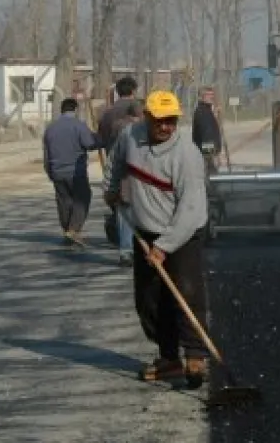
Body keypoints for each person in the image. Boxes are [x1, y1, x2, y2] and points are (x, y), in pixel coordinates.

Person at [105, 90, 211, 387]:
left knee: (187, 294)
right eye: (160, 121)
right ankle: (168, 358)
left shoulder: (186, 155)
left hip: (182, 232)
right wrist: (111, 189)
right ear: (148, 117)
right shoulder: (130, 137)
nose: (166, 127)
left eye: (172, 121)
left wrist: (164, 247)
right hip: (145, 229)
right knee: (149, 300)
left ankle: (195, 355)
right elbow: (115, 162)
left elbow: (191, 209)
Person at [42, 98, 99, 247]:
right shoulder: (79, 126)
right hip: (75, 172)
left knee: (64, 202)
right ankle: (73, 229)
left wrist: (49, 171)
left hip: (57, 172)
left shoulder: (50, 128)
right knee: (82, 198)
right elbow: (90, 144)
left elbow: (46, 154)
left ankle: (67, 230)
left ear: (62, 110)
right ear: (75, 110)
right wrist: (101, 139)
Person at [97, 76, 140, 265]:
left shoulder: (107, 114)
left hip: (116, 164)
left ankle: (125, 247)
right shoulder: (139, 109)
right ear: (133, 90)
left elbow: (100, 138)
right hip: (139, 164)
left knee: (122, 207)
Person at [191, 86, 223, 175]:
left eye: (212, 94)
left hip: (207, 154)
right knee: (211, 180)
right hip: (206, 157)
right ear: (201, 97)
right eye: (207, 95)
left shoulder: (207, 111)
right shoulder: (203, 112)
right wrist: (211, 157)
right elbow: (206, 135)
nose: (211, 97)